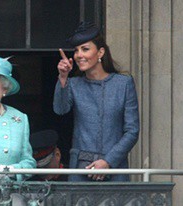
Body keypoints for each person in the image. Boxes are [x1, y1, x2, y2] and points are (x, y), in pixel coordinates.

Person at [53, 22, 139, 181]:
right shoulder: (74, 84)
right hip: (81, 168)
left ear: (100, 52)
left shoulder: (123, 83)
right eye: (76, 50)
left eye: (85, 49)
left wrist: (108, 161)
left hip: (115, 168)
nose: (79, 55)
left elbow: (132, 131)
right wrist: (63, 78)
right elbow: (60, 109)